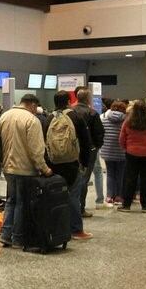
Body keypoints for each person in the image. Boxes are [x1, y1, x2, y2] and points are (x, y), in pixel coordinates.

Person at [0, 94, 52, 248]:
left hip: (8, 167)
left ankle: (5, 235)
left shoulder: (4, 116)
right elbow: (36, 150)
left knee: (10, 201)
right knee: (21, 203)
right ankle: (18, 238)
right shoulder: (31, 120)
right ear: (33, 105)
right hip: (25, 168)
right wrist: (44, 168)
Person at [45, 90, 93, 240]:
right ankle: (76, 230)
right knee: (73, 196)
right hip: (72, 163)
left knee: (55, 196)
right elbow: (86, 142)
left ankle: (57, 228)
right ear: (68, 101)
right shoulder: (75, 117)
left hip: (53, 165)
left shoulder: (48, 118)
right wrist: (85, 162)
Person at [117, 100, 146, 213]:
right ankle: (145, 206)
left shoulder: (128, 121)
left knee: (129, 179)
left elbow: (121, 138)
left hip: (131, 154)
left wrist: (125, 148)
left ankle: (126, 205)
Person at [72, 88, 105, 214]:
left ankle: (72, 207)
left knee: (73, 179)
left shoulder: (71, 111)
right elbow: (99, 133)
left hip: (72, 150)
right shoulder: (92, 113)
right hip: (88, 151)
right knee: (84, 180)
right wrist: (96, 147)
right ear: (88, 99)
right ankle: (80, 209)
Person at [99, 100, 127, 205]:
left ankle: (109, 196)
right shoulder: (125, 120)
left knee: (110, 174)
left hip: (107, 150)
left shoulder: (104, 118)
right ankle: (119, 196)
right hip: (121, 150)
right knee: (120, 174)